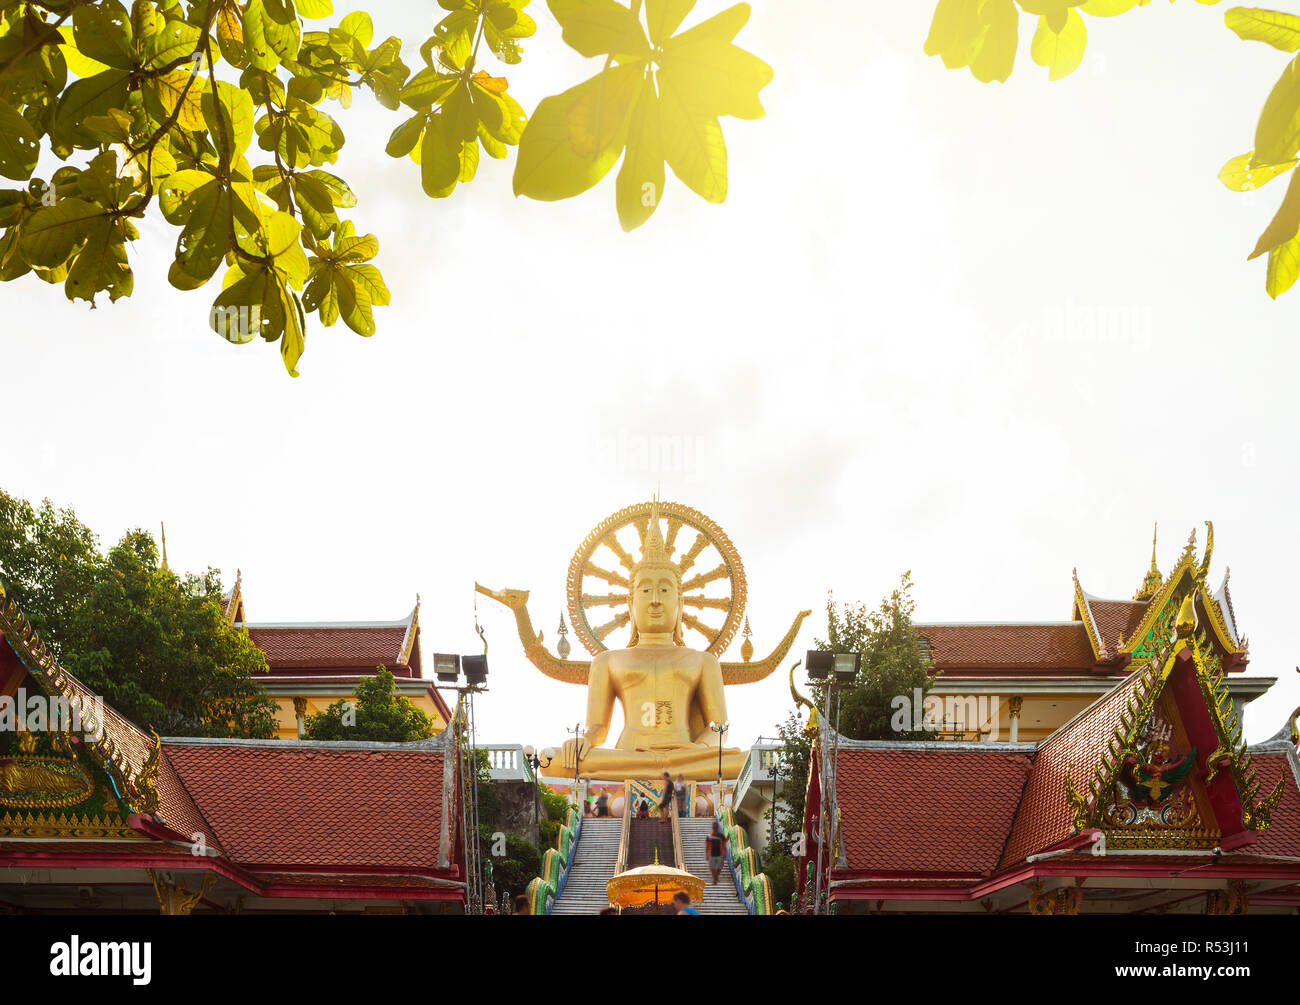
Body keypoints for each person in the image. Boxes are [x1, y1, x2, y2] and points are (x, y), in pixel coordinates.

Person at [705, 820, 725, 885]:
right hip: (711, 854)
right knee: (712, 868)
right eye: (714, 827)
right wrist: (707, 854)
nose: (715, 828)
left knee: (720, 867)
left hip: (720, 854)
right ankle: (715, 880)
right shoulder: (709, 836)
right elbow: (707, 846)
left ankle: (716, 877)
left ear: (717, 828)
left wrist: (724, 853)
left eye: (716, 827)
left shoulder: (721, 836)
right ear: (712, 827)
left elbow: (724, 845)